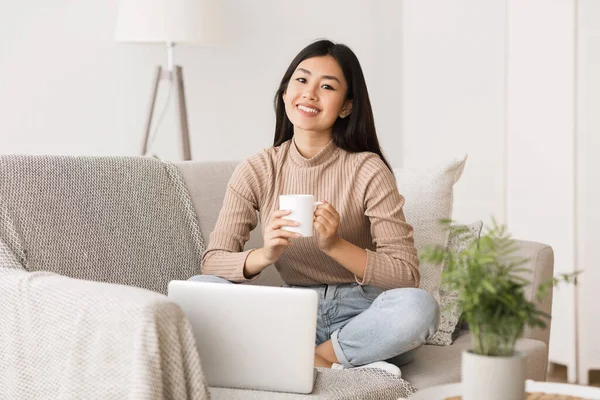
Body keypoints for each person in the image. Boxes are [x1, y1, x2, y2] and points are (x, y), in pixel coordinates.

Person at [189, 39, 439, 378]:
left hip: (362, 315)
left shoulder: (368, 169)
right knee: (199, 287)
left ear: (347, 106)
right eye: (302, 80)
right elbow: (213, 260)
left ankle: (318, 357)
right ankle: (334, 361)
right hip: (291, 311)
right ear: (285, 93)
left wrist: (335, 245)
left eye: (327, 86)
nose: (309, 93)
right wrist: (266, 254)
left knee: (419, 307)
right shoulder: (257, 169)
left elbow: (406, 275)